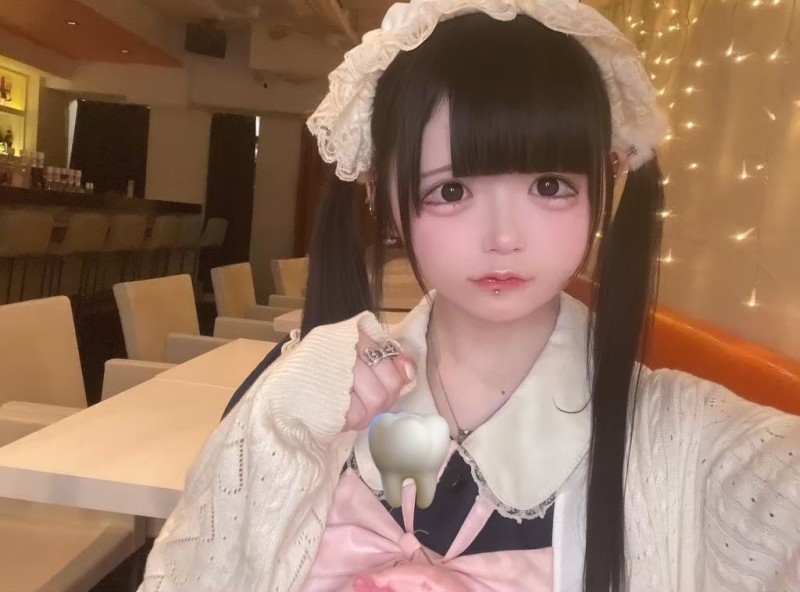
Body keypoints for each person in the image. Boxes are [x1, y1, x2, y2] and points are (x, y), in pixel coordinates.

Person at [138, 1, 800, 591]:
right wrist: (282, 423)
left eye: (549, 186)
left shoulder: (682, 439)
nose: (504, 238)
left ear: (608, 179)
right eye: (451, 191)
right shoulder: (298, 399)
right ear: (383, 198)